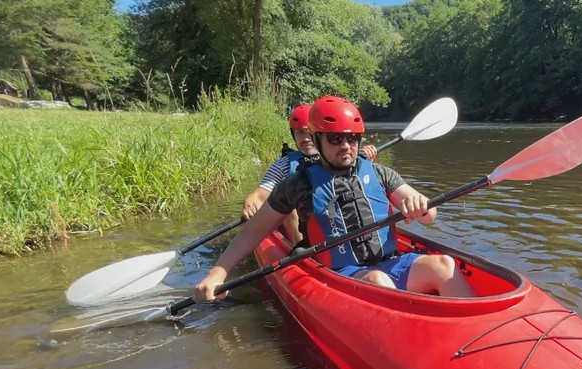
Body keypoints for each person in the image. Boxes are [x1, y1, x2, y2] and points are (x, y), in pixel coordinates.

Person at [195, 95, 475, 303]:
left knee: (444, 265)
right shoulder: (298, 183)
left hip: (389, 261)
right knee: (378, 281)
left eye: (353, 138)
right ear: (317, 140)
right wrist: (219, 272)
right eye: (335, 139)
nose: (346, 146)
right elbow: (254, 230)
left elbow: (428, 216)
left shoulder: (380, 173)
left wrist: (420, 207)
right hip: (341, 274)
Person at [242, 103, 377, 243]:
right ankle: (301, 250)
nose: (306, 138)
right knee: (293, 205)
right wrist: (251, 202)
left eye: (308, 132)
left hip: (333, 220)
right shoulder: (283, 165)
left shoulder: (337, 158)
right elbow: (260, 195)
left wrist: (365, 161)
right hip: (303, 229)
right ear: (293, 134)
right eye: (300, 132)